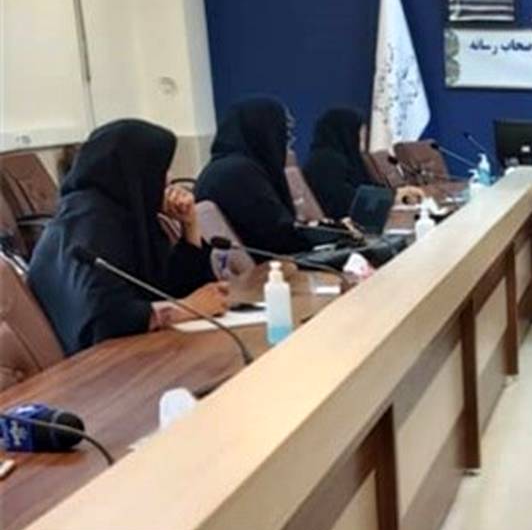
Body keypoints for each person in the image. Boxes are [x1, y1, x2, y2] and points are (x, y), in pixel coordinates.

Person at [27, 120, 228, 355]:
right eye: (160, 169)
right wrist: (188, 308)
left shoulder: (127, 215)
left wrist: (189, 225)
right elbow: (103, 319)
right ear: (134, 170)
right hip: (99, 367)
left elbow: (172, 288)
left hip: (136, 354)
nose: (168, 179)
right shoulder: (88, 221)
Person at [195, 97, 321, 256]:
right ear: (266, 132)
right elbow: (278, 236)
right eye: (284, 133)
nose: (287, 142)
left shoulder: (228, 165)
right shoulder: (239, 174)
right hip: (266, 266)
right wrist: (326, 243)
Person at [303, 108, 379, 219]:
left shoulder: (347, 158)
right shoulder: (326, 161)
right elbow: (340, 201)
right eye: (359, 133)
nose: (361, 139)